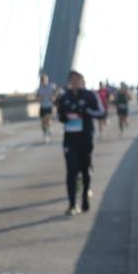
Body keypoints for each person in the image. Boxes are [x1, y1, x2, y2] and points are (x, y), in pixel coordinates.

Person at [56, 70, 104, 215]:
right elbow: (59, 115)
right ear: (70, 82)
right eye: (72, 80)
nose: (75, 82)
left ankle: (84, 196)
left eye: (78, 79)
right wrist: (65, 116)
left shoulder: (90, 95)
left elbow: (101, 112)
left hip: (86, 137)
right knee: (71, 170)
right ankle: (72, 204)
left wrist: (86, 112)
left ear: (82, 81)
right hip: (70, 138)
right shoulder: (64, 97)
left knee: (85, 169)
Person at [36, 73, 58, 143]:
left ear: (47, 80)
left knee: (48, 120)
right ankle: (45, 134)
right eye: (42, 80)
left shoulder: (51, 86)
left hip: (49, 106)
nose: (43, 81)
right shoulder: (39, 88)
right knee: (43, 123)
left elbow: (56, 92)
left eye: (44, 80)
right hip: (43, 106)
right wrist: (39, 98)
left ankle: (48, 131)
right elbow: (37, 97)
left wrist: (54, 97)